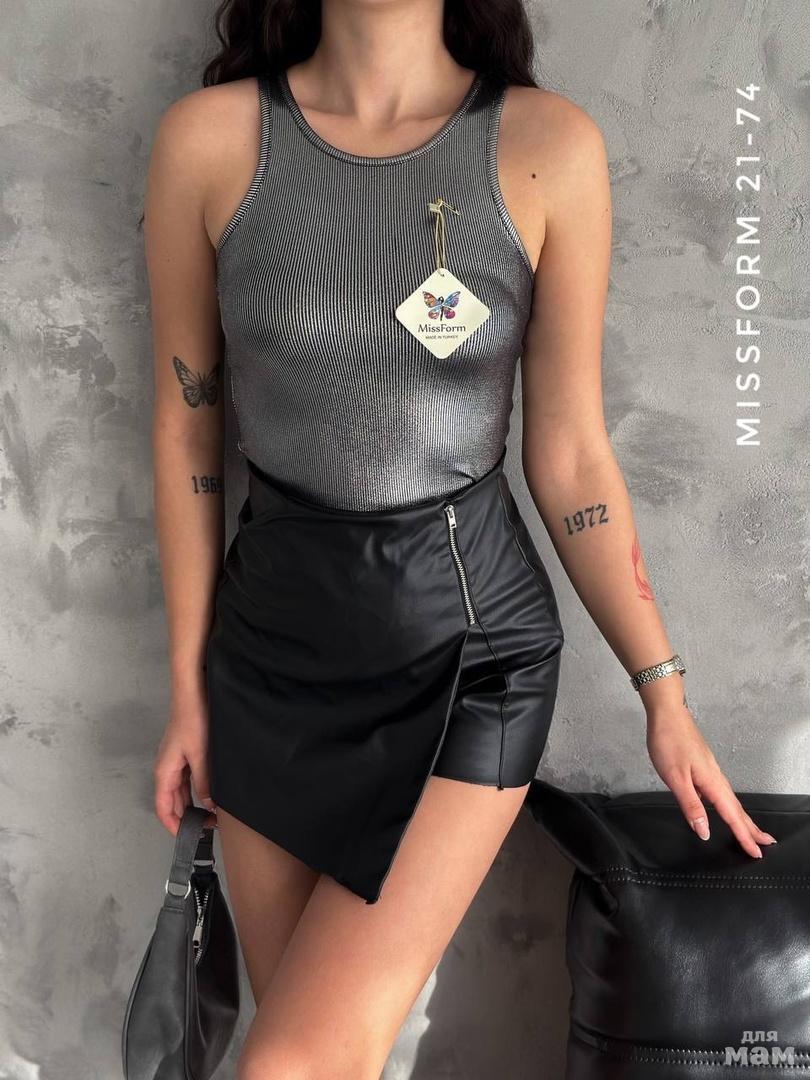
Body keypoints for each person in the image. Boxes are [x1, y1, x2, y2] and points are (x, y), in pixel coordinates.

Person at [144, 1, 776, 1076]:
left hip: (474, 661)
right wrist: (188, 686)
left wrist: (662, 692)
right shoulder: (206, 141)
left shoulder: (548, 145)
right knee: (317, 1055)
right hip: (266, 661)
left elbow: (571, 456)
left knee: (289, 1064)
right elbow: (185, 427)